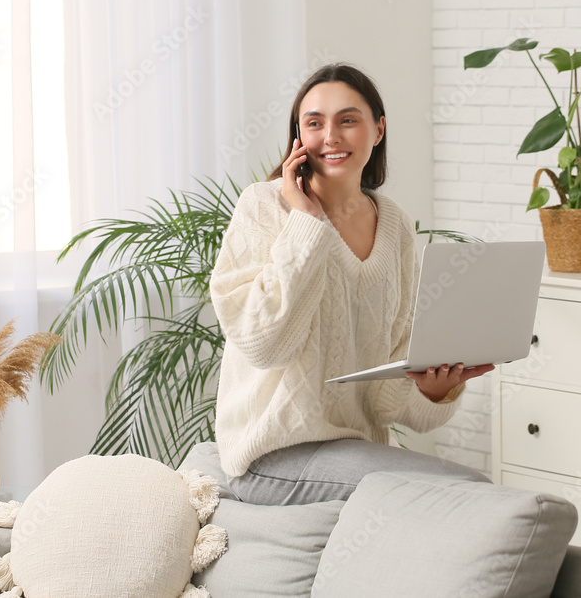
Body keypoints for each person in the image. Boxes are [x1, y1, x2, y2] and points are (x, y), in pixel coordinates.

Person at [209, 63, 494, 506]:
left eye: (348, 120)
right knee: (463, 493)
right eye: (314, 123)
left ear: (378, 130)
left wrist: (434, 390)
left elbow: (384, 397)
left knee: (470, 495)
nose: (331, 136)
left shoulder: (395, 225)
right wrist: (306, 221)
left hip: (357, 450)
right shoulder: (263, 208)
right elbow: (266, 346)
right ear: (298, 138)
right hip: (273, 457)